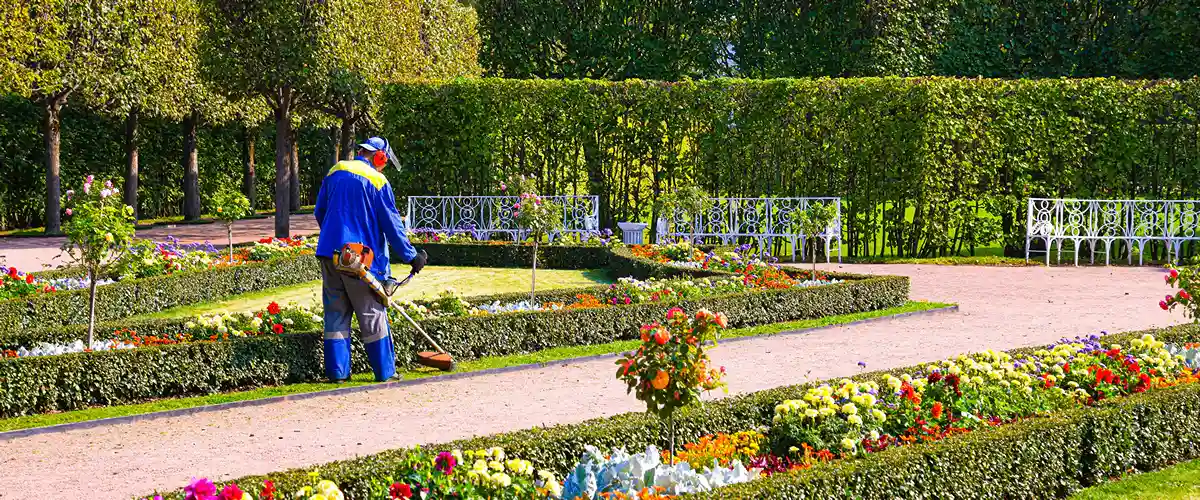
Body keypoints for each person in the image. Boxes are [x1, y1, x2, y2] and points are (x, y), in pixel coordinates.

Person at [314, 136, 426, 382]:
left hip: (329, 254)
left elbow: (319, 211)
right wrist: (411, 256)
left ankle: (337, 374)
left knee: (336, 314)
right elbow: (392, 224)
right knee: (372, 313)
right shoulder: (377, 180)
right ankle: (385, 372)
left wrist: (336, 239)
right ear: (380, 156)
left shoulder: (335, 171)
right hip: (359, 259)